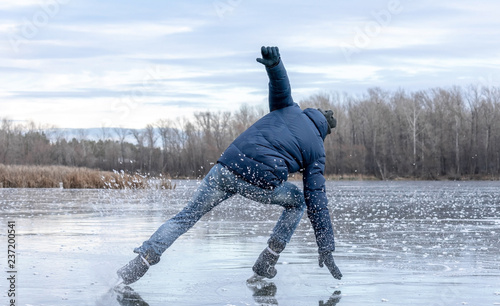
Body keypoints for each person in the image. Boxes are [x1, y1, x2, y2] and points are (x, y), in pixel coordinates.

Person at [117, 46, 342, 285]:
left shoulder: (288, 109)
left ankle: (141, 262)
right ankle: (268, 260)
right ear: (326, 131)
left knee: (186, 217)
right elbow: (316, 201)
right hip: (257, 181)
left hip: (225, 167)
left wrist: (275, 64)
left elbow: (280, 86)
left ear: (312, 113)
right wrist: (326, 247)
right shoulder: (317, 150)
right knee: (298, 202)